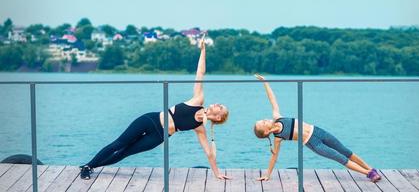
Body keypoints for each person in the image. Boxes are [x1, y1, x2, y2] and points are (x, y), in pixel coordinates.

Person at [80, 35, 230, 180]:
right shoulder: (198, 100)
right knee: (119, 144)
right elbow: (200, 73)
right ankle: (88, 166)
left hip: (158, 137)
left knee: (125, 153)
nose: (217, 104)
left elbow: (209, 153)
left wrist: (217, 173)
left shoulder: (199, 128)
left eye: (220, 107)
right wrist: (203, 50)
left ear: (218, 117)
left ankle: (90, 167)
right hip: (151, 120)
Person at [252, 74, 381, 182]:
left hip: (318, 131)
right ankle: (368, 173)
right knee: (340, 158)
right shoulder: (278, 138)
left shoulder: (277, 117)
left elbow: (272, 98)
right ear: (267, 131)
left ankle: (370, 168)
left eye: (262, 120)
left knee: (346, 151)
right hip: (314, 144)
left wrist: (265, 82)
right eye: (263, 123)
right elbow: (274, 157)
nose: (264, 119)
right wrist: (267, 175)